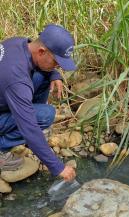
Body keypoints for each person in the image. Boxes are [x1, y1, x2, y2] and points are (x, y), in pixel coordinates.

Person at [0, 24, 76, 181]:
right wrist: (57, 167)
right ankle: (2, 149)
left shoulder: (19, 43)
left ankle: (31, 139)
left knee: (43, 76)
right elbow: (29, 127)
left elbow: (38, 66)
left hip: (6, 92)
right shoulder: (17, 80)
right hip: (9, 91)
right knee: (45, 115)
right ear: (42, 52)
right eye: (56, 63)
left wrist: (54, 74)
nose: (58, 66)